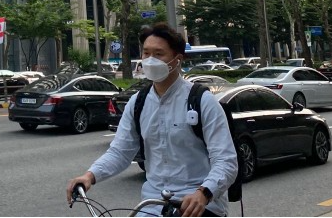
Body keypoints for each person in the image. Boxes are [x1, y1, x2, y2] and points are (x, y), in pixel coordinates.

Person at [66, 23, 238, 217]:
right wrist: (90, 176)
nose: (150, 60)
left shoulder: (202, 101)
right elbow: (120, 152)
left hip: (198, 205)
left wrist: (204, 193)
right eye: (146, 53)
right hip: (152, 205)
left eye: (158, 54)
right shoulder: (137, 103)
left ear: (177, 60)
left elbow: (226, 161)